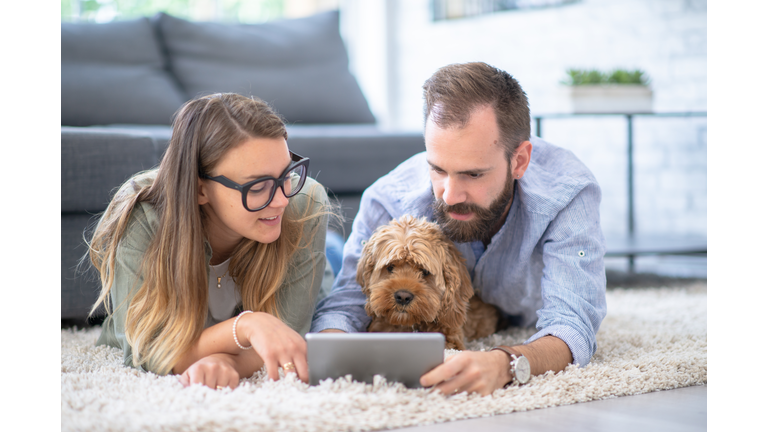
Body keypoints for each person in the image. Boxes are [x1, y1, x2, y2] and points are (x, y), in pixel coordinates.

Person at [310, 62, 607, 395]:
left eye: (473, 174)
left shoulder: (568, 193)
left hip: (517, 317)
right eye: (437, 169)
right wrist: (330, 354)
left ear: (520, 161)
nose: (449, 195)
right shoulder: (388, 200)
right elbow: (346, 304)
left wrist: (505, 363)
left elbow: (573, 325)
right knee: (331, 257)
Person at [87, 93, 333, 390]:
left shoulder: (303, 203)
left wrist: (227, 362)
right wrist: (246, 326)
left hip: (318, 261)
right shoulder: (141, 215)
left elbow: (287, 336)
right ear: (200, 189)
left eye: (286, 175)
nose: (281, 199)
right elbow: (146, 351)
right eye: (258, 187)